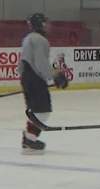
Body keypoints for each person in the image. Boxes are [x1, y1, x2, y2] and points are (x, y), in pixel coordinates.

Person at [19, 13, 69, 153]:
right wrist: (54, 77)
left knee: (37, 110)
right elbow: (41, 63)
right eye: (46, 23)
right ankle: (29, 140)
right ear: (40, 24)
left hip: (27, 77)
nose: (49, 26)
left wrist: (26, 80)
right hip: (35, 78)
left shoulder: (28, 38)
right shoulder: (41, 40)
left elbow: (23, 63)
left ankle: (29, 138)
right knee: (43, 110)